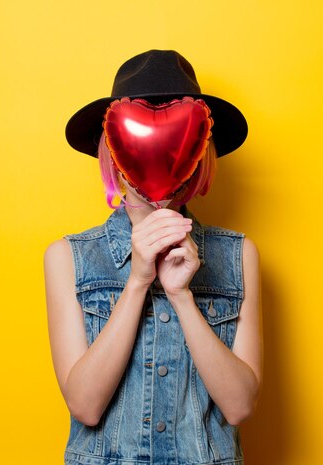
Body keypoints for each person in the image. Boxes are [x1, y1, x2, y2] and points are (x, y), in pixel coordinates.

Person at [44, 50, 263, 465]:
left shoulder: (237, 255)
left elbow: (239, 406)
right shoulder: (68, 257)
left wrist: (182, 297)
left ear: (198, 148)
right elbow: (85, 406)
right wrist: (138, 280)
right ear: (114, 148)